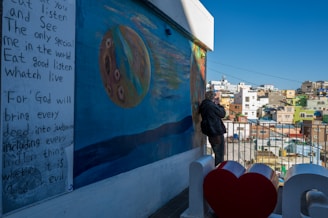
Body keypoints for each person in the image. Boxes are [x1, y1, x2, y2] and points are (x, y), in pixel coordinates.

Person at [199, 91, 227, 166]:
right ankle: (219, 173)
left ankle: (218, 171)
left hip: (211, 132)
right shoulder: (210, 105)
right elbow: (222, 114)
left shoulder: (204, 105)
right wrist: (218, 105)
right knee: (219, 155)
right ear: (213, 98)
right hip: (216, 132)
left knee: (218, 154)